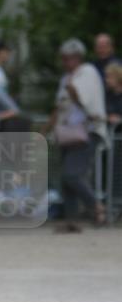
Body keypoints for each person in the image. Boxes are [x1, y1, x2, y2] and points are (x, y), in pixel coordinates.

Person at [46, 38, 107, 232]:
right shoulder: (66, 78)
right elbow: (59, 106)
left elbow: (84, 102)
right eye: (64, 58)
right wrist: (47, 128)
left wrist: (74, 92)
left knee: (72, 175)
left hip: (87, 132)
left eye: (70, 58)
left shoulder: (87, 73)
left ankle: (95, 206)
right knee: (66, 179)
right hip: (67, 133)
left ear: (79, 58)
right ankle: (72, 221)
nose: (67, 62)